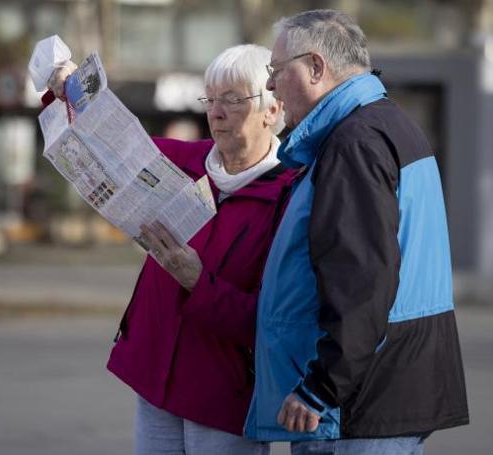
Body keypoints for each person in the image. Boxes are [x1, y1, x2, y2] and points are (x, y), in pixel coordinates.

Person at [45, 44, 299, 454]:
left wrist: (197, 281)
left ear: (272, 109)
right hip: (155, 380)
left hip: (223, 397)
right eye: (210, 99)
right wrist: (72, 87)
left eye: (232, 100)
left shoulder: (290, 195)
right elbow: (114, 139)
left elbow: (274, 321)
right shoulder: (186, 161)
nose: (215, 113)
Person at [244, 9, 470, 454]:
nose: (270, 86)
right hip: (384, 389)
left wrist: (321, 387)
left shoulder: (353, 142)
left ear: (314, 67)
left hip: (357, 404)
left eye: (276, 70)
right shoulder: (385, 123)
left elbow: (363, 280)